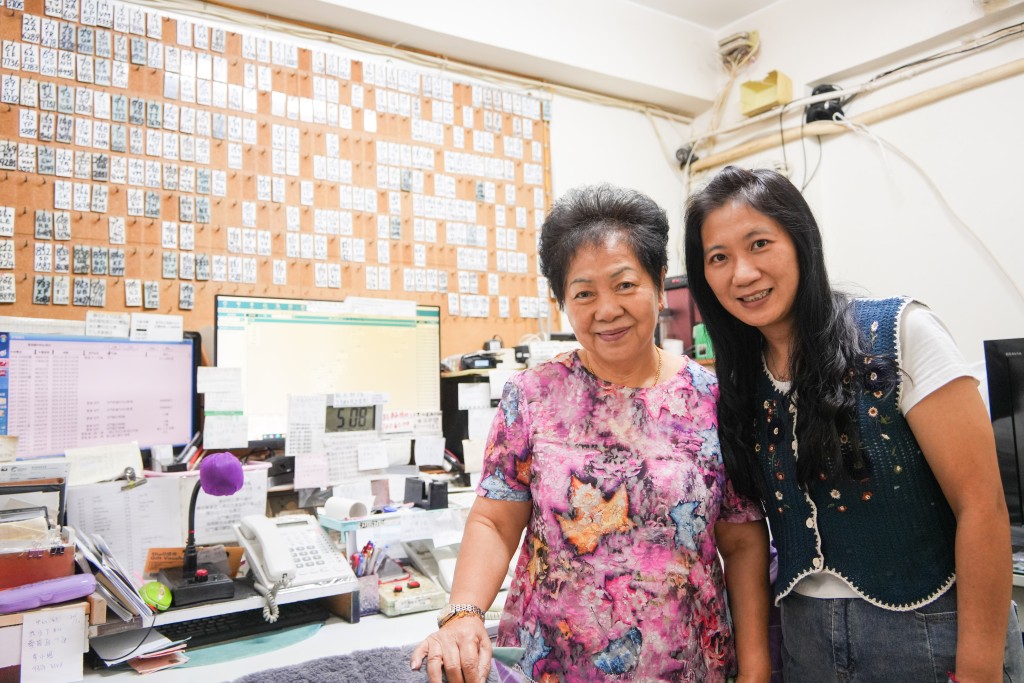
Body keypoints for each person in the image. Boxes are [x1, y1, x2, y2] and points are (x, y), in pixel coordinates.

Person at [411, 184, 772, 683]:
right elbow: (495, 521)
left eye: (624, 285)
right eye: (584, 293)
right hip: (559, 667)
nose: (606, 310)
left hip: (688, 665)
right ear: (563, 301)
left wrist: (756, 671)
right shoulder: (533, 395)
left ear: (659, 282)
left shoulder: (713, 398)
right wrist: (463, 612)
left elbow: (743, 542)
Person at [683, 165, 1024, 683]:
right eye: (718, 258)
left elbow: (983, 505)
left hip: (931, 630)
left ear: (801, 241)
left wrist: (979, 670)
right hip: (804, 642)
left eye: (759, 244)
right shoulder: (738, 384)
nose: (742, 274)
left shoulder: (898, 332)